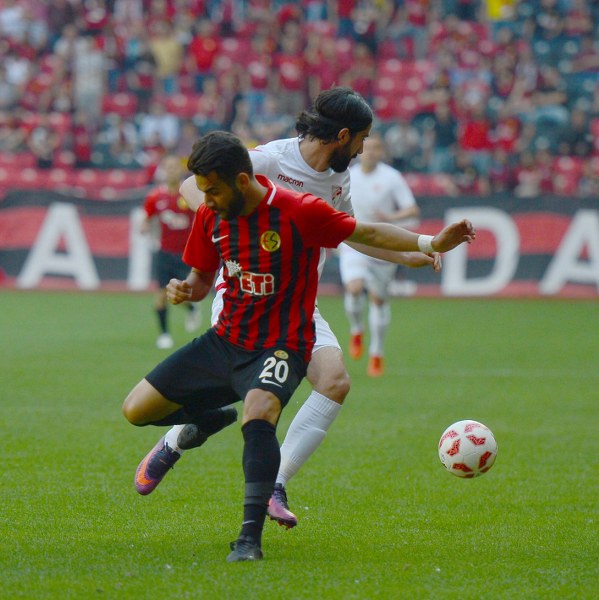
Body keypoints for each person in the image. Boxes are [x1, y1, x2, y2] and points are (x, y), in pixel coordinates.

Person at [122, 130, 475, 562]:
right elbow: (197, 283)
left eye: (212, 190)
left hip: (284, 340)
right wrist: (183, 289)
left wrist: (428, 243)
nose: (203, 198)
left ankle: (249, 538)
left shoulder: (300, 210)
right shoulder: (217, 211)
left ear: (241, 181)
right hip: (228, 335)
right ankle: (203, 421)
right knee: (136, 410)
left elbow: (365, 233)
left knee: (266, 410)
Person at [339, 132, 421, 377]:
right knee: (354, 287)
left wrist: (390, 218)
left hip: (383, 243)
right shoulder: (347, 174)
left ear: (382, 151)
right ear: (361, 149)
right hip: (354, 241)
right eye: (368, 147)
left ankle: (376, 352)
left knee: (378, 299)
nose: (371, 152)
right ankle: (356, 329)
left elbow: (412, 209)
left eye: (377, 148)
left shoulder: (391, 178)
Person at [141, 154, 201, 349]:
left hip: (186, 253)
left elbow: (203, 215)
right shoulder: (155, 197)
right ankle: (164, 335)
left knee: (182, 293)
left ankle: (191, 307)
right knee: (161, 294)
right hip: (164, 253)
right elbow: (147, 219)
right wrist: (144, 227)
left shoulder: (189, 193)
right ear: (163, 171)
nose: (171, 170)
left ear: (181, 170)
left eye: (175, 167)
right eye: (168, 167)